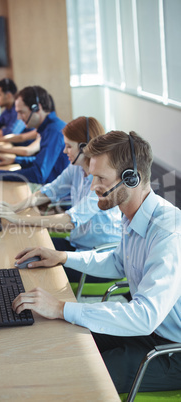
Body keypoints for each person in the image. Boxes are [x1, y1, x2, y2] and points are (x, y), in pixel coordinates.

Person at [11, 130, 181, 394]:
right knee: (64, 341)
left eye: (100, 178)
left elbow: (146, 315)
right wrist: (63, 257)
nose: (92, 188)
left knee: (79, 378)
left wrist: (60, 307)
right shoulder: (131, 214)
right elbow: (116, 263)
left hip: (171, 351)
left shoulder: (168, 232)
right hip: (147, 331)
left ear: (131, 178)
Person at [0, 116, 122, 282]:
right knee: (24, 251)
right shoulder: (77, 167)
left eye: (68, 146)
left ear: (84, 147)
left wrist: (19, 219)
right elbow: (48, 192)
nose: (64, 151)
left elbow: (70, 221)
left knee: (34, 272)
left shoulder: (103, 181)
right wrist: (14, 208)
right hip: (77, 246)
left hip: (99, 260)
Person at [0, 86, 69, 184]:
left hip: (61, 197)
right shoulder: (48, 128)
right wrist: (14, 159)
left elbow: (39, 174)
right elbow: (39, 162)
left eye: (21, 112)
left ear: (37, 108)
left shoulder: (54, 131)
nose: (19, 118)